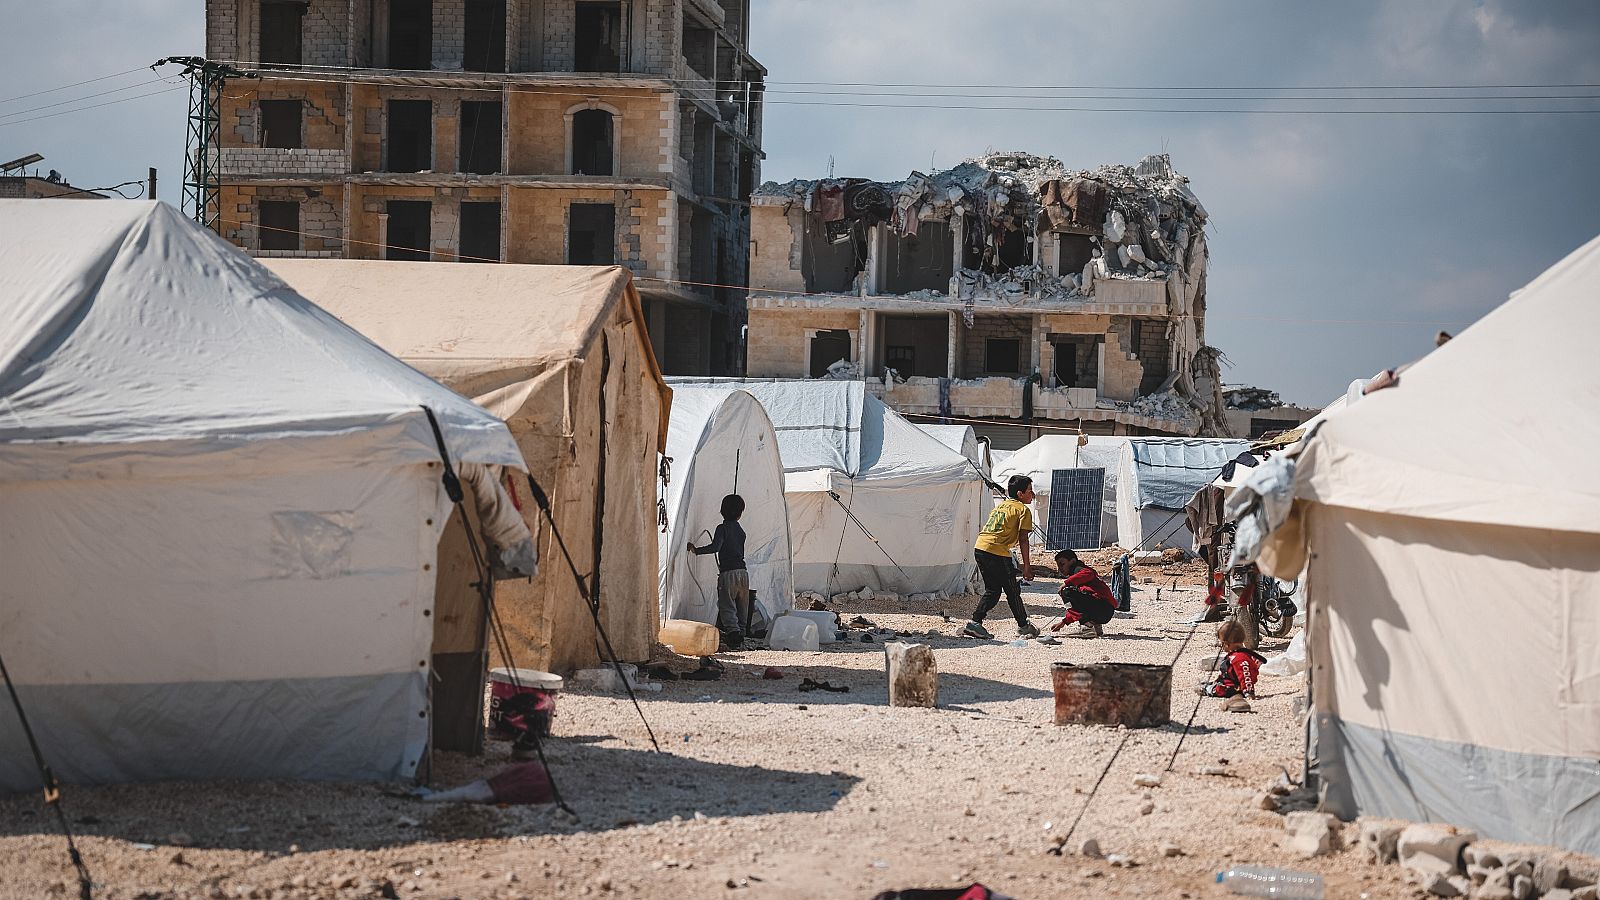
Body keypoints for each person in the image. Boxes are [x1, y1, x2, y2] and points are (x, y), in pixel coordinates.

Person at [963, 475, 1039, 640]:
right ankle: (1023, 626)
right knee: (1012, 590)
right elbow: (1023, 539)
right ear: (1020, 494)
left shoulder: (1001, 506)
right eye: (1029, 492)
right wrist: (1027, 566)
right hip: (996, 551)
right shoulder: (1022, 510)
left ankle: (975, 623)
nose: (1032, 495)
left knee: (994, 589)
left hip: (981, 547)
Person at [687, 494, 750, 649]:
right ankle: (741, 633)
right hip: (743, 572)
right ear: (741, 513)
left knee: (727, 604)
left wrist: (696, 550)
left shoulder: (722, 528)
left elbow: (716, 547)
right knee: (742, 606)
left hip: (728, 573)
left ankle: (733, 634)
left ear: (722, 511)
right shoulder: (741, 531)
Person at [1196, 620, 1266, 712]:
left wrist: (1249, 692)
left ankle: (1206, 689)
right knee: (1211, 684)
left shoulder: (1239, 658)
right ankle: (1209, 686)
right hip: (1232, 684)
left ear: (1226, 644)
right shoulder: (1244, 654)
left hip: (1232, 688)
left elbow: (1245, 675)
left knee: (1213, 688)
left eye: (1222, 643)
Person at [1049, 549, 1116, 638]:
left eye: (1062, 564)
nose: (1060, 569)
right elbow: (1077, 606)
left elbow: (1089, 573)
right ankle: (1095, 627)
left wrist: (1066, 583)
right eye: (1058, 566)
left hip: (1103, 608)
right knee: (1076, 596)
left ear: (1072, 561)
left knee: (1066, 592)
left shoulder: (1079, 569)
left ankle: (1087, 627)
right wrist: (1064, 622)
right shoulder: (1078, 574)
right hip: (1106, 611)